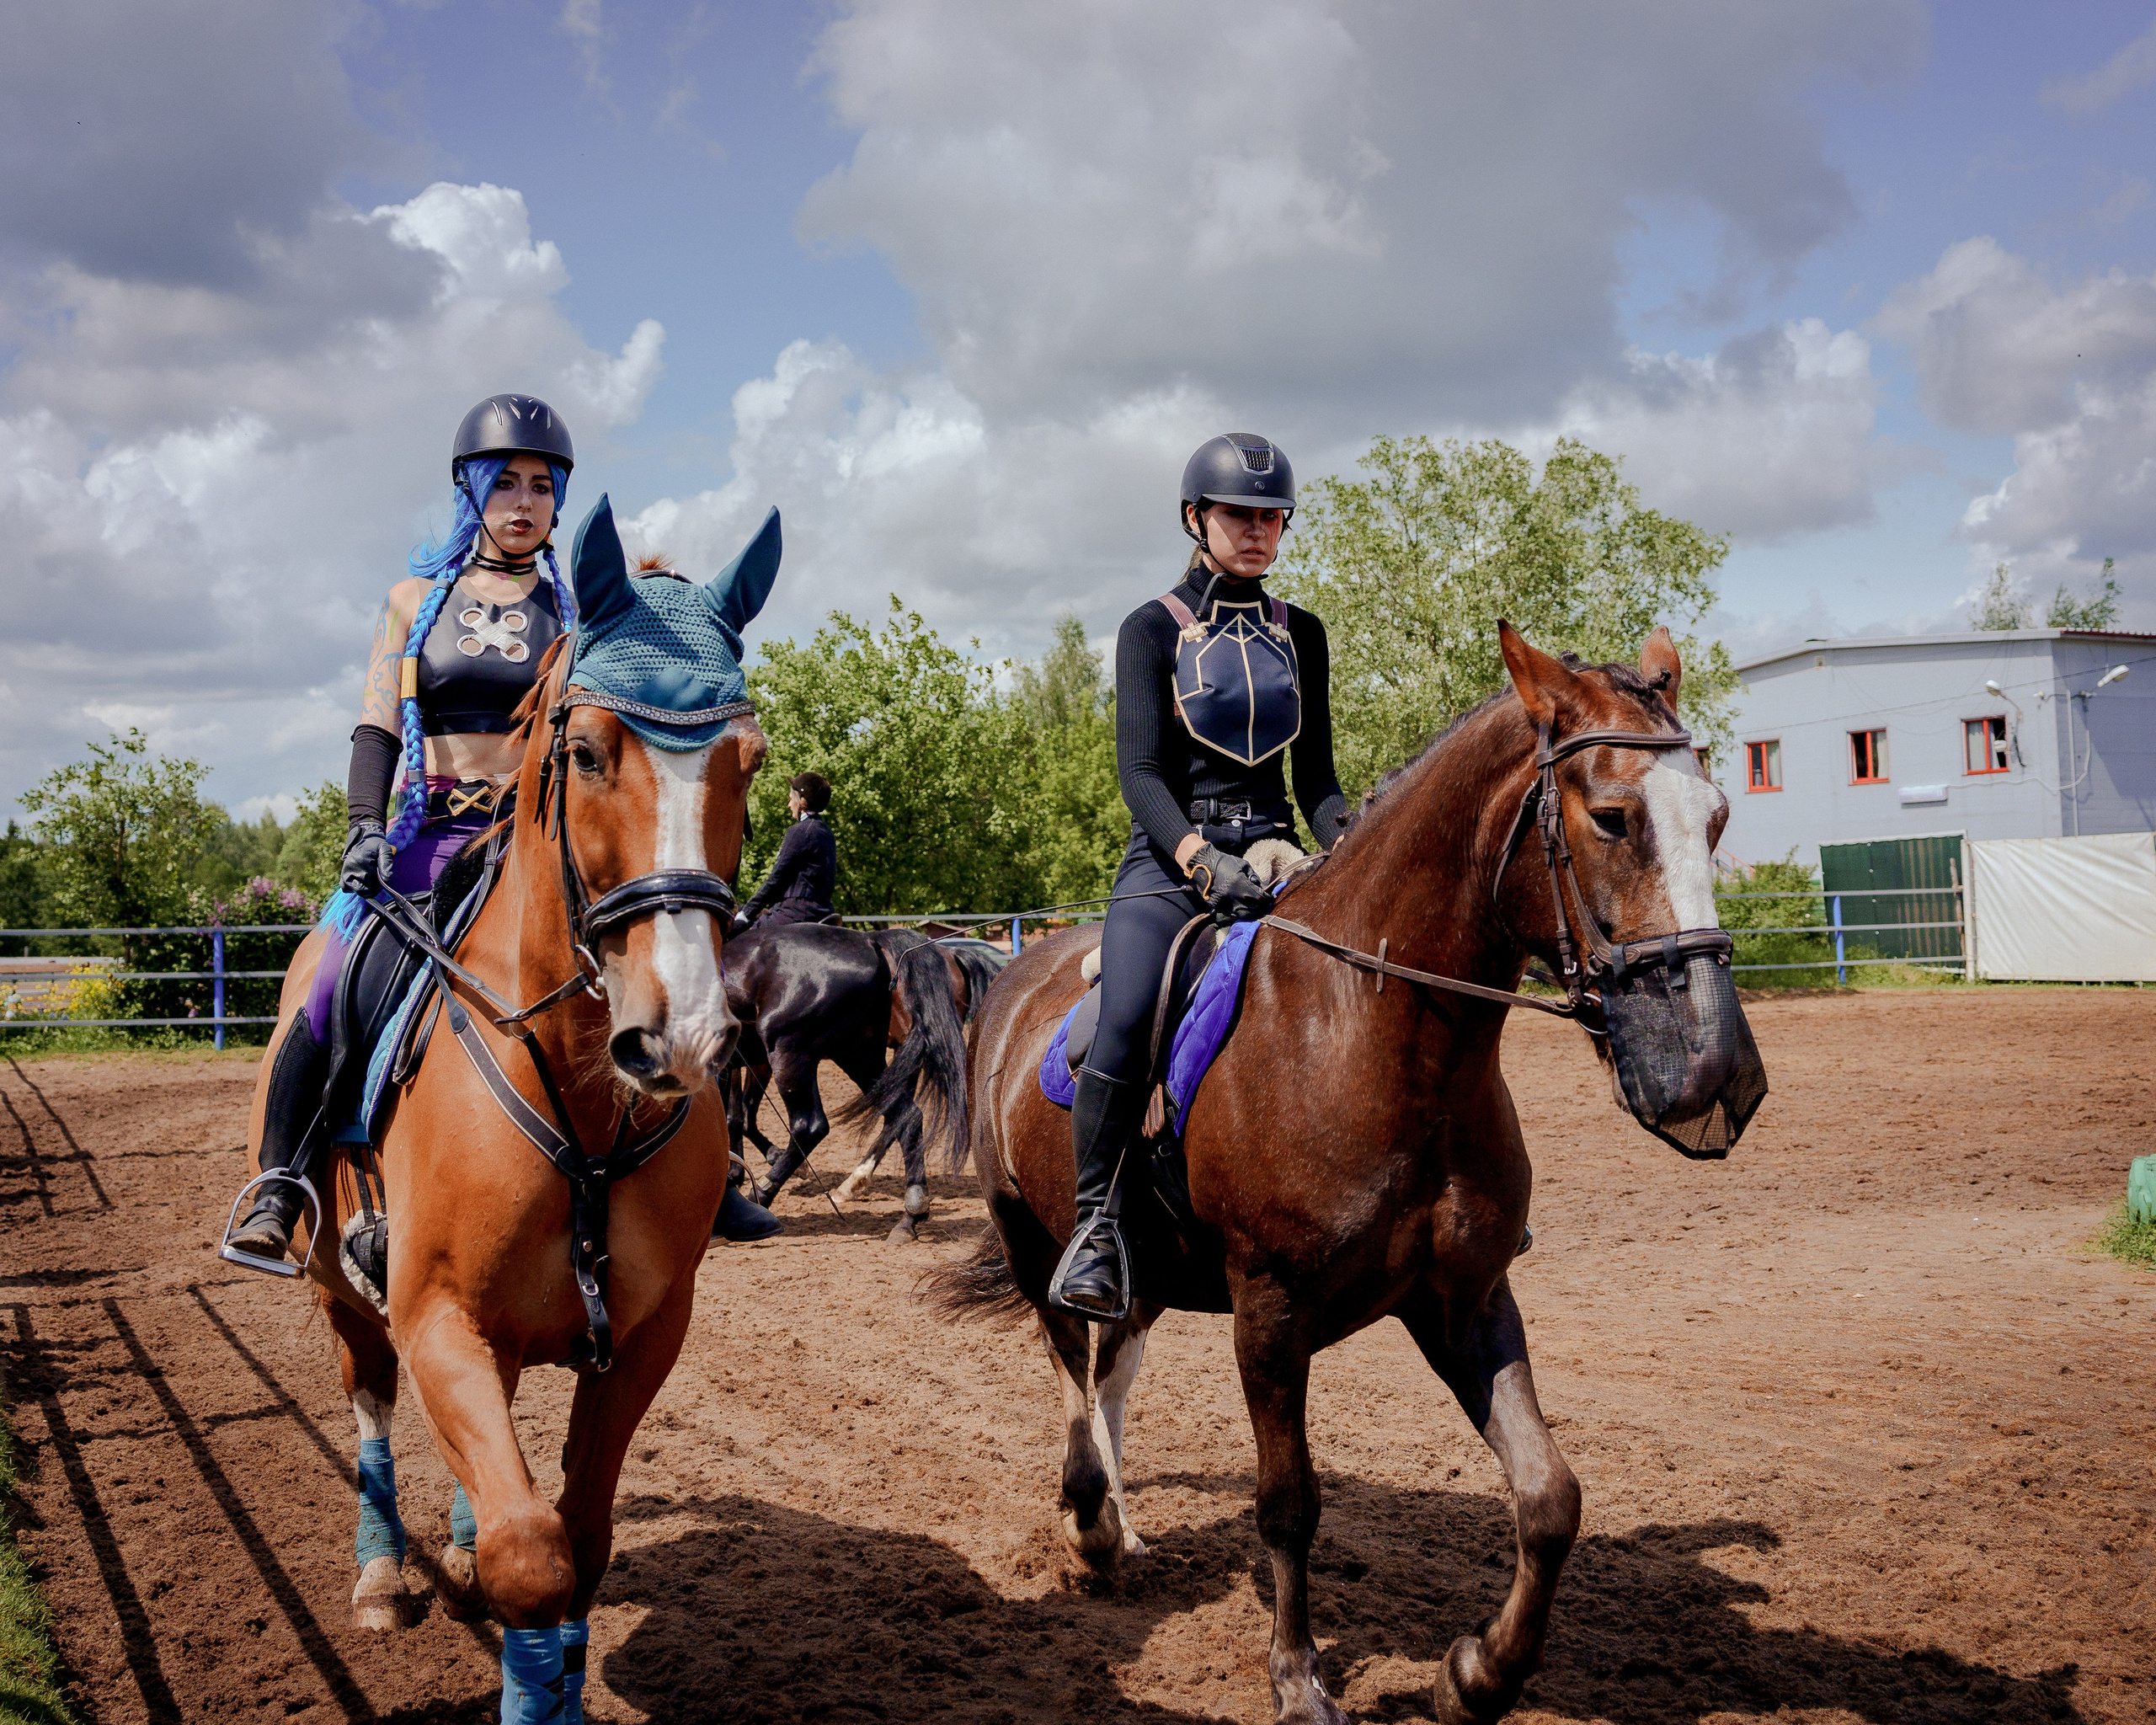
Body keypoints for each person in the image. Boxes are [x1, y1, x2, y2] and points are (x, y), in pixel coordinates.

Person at [226, 394, 781, 1263]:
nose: (525, 502)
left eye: (542, 485)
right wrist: (364, 827)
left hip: (539, 847)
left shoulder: (587, 607)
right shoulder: (413, 602)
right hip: (427, 836)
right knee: (330, 980)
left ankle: (710, 1175)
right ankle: (280, 1177)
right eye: (506, 483)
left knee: (663, 976)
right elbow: (376, 724)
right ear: (471, 494)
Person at [1048, 433, 1350, 1320]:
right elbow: (1139, 772)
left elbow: (1319, 780)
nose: (1257, 531)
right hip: (1172, 864)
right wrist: (1197, 858)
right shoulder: (1149, 628)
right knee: (1129, 1012)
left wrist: (1348, 839)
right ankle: (1095, 1226)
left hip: (1279, 858)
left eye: (1271, 516)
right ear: (1196, 517)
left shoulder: (1305, 632)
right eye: (1238, 515)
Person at [735, 772, 838, 929]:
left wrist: (746, 914)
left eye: (791, 799)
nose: (789, 804)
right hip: (823, 909)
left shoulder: (800, 831)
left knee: (739, 939)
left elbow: (777, 878)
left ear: (802, 801)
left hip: (796, 911)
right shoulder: (826, 832)